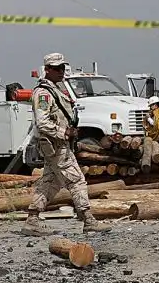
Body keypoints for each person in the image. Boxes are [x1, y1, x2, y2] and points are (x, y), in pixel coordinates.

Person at [27, 52, 105, 235]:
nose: (61, 71)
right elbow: (42, 122)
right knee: (76, 180)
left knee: (49, 182)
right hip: (56, 145)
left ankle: (32, 219)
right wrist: (65, 132)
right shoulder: (44, 93)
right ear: (47, 70)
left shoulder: (54, 90)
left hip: (58, 145)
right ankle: (88, 219)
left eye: (62, 67)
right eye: (56, 68)